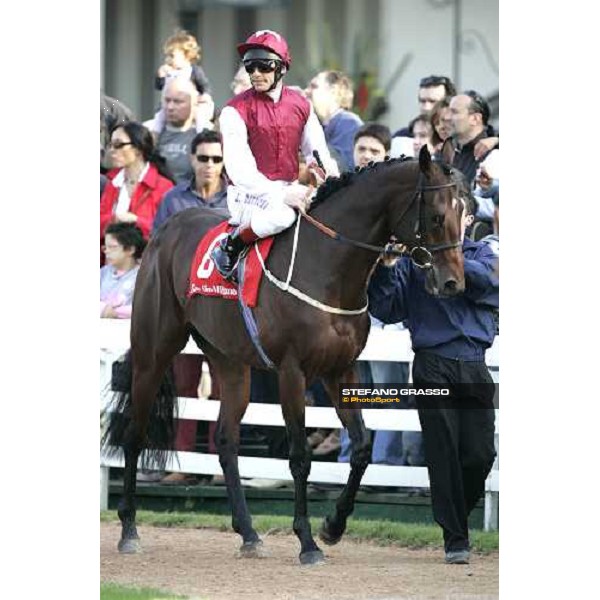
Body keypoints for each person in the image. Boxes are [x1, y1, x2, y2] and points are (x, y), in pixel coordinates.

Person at [367, 194, 498, 565]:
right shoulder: (412, 261)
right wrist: (388, 266)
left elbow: (491, 285)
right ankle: (455, 538)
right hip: (432, 363)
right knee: (442, 452)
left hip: (474, 364)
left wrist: (443, 257)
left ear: (469, 217)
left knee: (480, 455)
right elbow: (387, 309)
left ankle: (454, 519)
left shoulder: (485, 256)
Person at [211, 29, 339, 281]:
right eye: (250, 66)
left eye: (264, 66)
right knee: (284, 215)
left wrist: (325, 174)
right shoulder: (233, 111)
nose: (256, 74)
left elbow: (316, 149)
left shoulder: (301, 104)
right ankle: (230, 246)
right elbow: (240, 170)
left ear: (282, 67)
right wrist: (282, 193)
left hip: (291, 189)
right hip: (249, 195)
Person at [100, 121, 174, 261]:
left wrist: (136, 221)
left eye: (118, 145)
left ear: (138, 149)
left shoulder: (163, 186)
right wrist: (114, 219)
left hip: (147, 263)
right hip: (112, 265)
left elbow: (166, 232)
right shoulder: (113, 183)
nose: (112, 150)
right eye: (111, 145)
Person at [153, 129, 228, 233]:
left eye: (217, 159)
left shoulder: (236, 199)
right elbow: (158, 240)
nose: (209, 165)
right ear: (192, 159)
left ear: (224, 161)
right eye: (203, 158)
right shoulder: (173, 199)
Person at [150, 30, 215, 135]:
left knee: (200, 117)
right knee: (159, 116)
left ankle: (202, 134)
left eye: (172, 56)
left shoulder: (193, 70)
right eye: (167, 56)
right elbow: (160, 87)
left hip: (193, 105)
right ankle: (155, 136)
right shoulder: (168, 71)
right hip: (170, 104)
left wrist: (205, 96)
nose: (168, 59)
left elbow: (204, 85)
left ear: (186, 55)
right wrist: (160, 77)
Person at [147, 78, 206, 185]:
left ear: (193, 103)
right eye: (167, 100)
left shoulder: (204, 134)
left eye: (178, 102)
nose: (170, 107)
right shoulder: (148, 131)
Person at [305, 70, 364, 171]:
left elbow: (342, 167)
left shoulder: (350, 124)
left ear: (333, 90)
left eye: (314, 86)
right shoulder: (321, 126)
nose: (306, 91)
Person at [449, 90, 498, 184]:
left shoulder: (495, 151)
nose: (447, 117)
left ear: (475, 119)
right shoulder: (447, 152)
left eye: (454, 112)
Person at [100, 223, 146, 319]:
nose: (107, 251)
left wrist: (115, 312)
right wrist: (103, 308)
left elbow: (146, 308)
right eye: (105, 247)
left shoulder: (143, 277)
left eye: (112, 247)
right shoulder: (103, 273)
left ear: (130, 249)